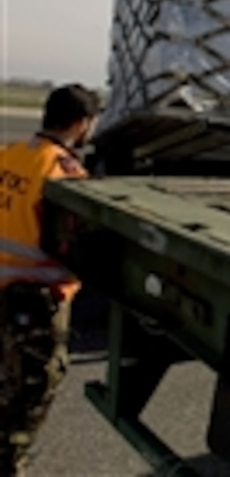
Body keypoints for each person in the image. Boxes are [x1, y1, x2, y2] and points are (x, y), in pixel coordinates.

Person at [0, 84, 100, 476]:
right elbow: (80, 245)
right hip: (34, 300)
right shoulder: (64, 175)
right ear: (80, 124)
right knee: (30, 392)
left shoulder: (10, 155)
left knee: (6, 380)